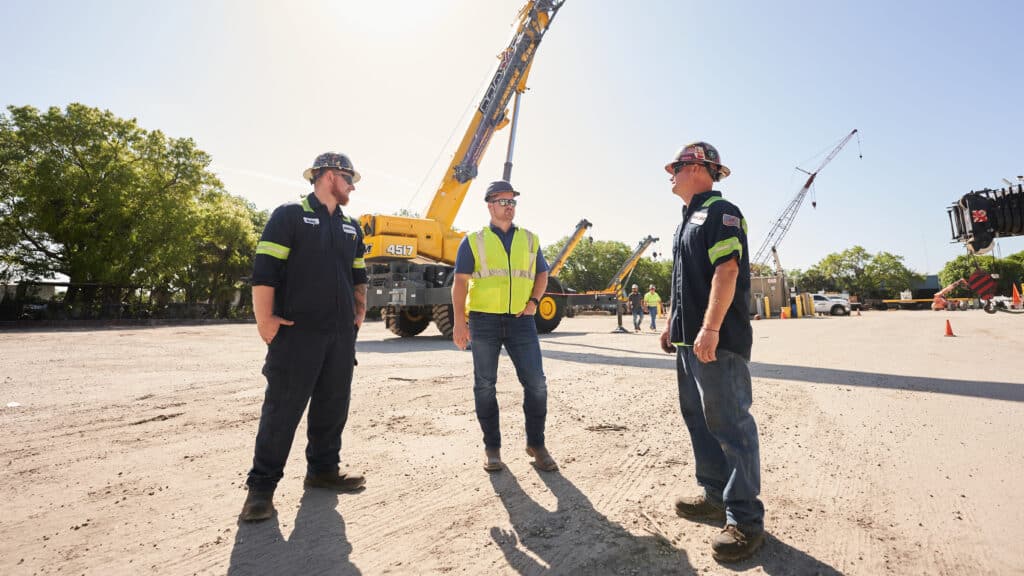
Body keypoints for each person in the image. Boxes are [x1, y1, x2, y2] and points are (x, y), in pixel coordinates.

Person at [240, 152, 369, 522]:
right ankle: (261, 489)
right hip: (297, 333)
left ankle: (323, 471)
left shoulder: (351, 226)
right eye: (349, 178)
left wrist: (359, 310)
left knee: (333, 405)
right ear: (329, 176)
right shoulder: (289, 215)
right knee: (282, 411)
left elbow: (358, 274)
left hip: (341, 336)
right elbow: (265, 271)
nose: (353, 186)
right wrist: (265, 320)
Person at [658, 142, 765, 562]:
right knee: (699, 421)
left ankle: (745, 521)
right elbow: (683, 281)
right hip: (689, 341)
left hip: (717, 341)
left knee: (731, 426)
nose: (671, 172)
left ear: (701, 167)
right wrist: (672, 323)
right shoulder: (686, 221)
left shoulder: (722, 213)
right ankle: (714, 495)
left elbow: (728, 270)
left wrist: (710, 328)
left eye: (678, 166)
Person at [451, 180, 558, 473]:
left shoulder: (530, 239)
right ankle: (492, 449)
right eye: (503, 202)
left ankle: (536, 444)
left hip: (522, 321)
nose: (508, 207)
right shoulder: (473, 240)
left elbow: (542, 274)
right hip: (484, 321)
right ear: (489, 205)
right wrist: (460, 323)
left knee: (536, 384)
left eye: (512, 202)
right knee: (485, 386)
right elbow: (459, 283)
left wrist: (535, 302)